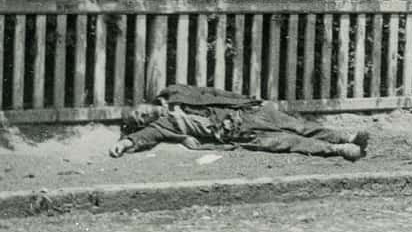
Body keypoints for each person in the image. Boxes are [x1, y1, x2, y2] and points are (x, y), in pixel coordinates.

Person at [110, 84, 369, 160]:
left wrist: (247, 100)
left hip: (246, 111)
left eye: (140, 111)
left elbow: (212, 93)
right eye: (139, 120)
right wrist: (125, 143)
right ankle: (338, 150)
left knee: (300, 125)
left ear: (143, 103)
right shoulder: (162, 126)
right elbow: (143, 138)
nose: (144, 116)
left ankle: (345, 137)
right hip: (237, 133)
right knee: (287, 141)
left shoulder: (174, 91)